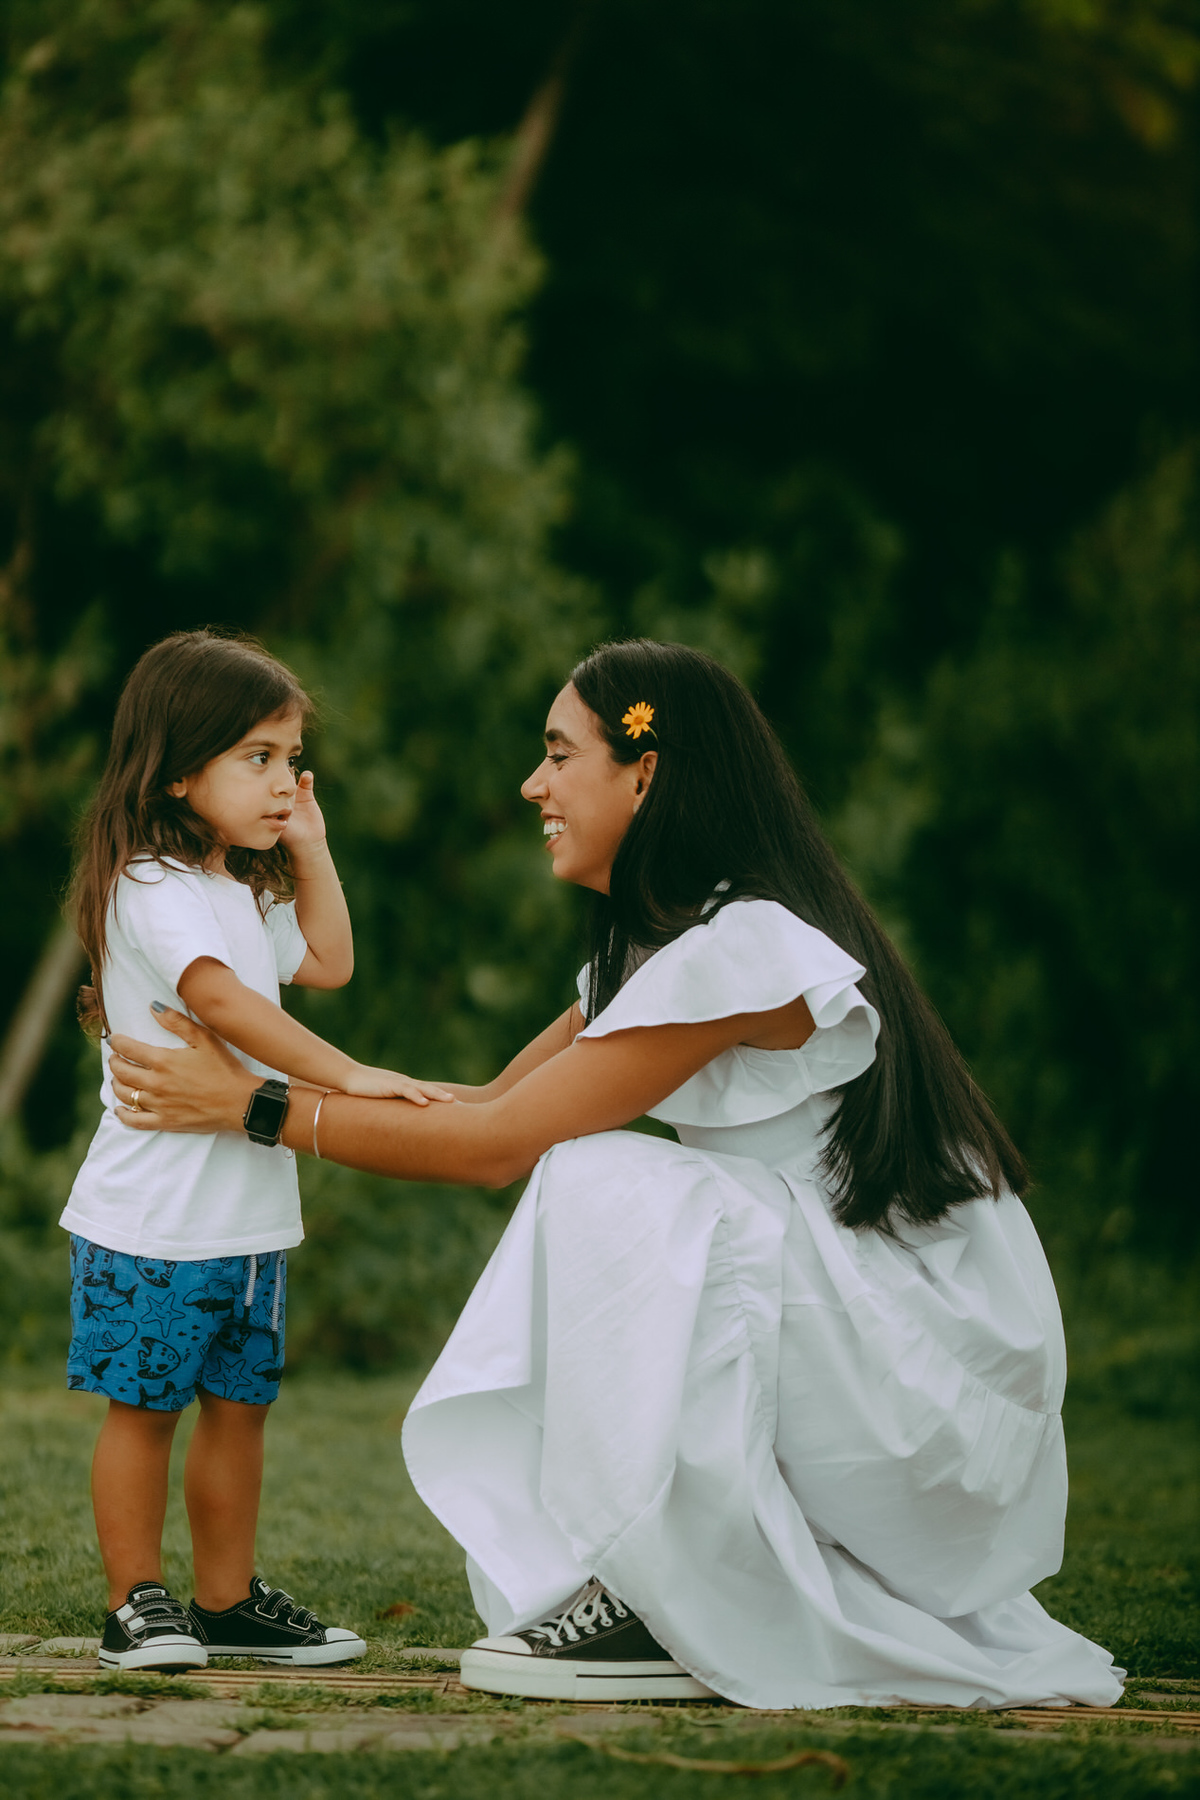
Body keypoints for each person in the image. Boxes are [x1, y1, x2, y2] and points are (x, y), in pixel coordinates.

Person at [104, 639, 1123, 1711]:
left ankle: (658, 1596)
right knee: (609, 1178)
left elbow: (498, 1152)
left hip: (934, 1371)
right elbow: (491, 1109)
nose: (532, 784)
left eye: (558, 753)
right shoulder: (662, 946)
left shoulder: (746, 947)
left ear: (646, 774)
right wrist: (289, 1100)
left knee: (608, 1185)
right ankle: (671, 1585)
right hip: (859, 1331)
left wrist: (256, 1108)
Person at [64, 629, 452, 1673]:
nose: (283, 781)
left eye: (291, 758)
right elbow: (224, 1001)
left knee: (240, 1413)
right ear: (179, 770)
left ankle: (227, 1602)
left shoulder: (238, 887)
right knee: (145, 1413)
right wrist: (346, 1077)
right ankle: (134, 1605)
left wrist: (311, 845)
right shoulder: (149, 886)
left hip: (246, 1222)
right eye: (258, 758)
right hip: (153, 1218)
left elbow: (328, 959)